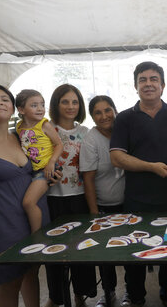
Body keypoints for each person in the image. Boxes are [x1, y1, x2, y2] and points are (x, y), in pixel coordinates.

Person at [110, 61, 167, 307]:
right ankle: (136, 297)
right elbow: (116, 156)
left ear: (163, 85)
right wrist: (151, 166)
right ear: (135, 86)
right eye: (143, 80)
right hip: (137, 199)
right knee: (135, 252)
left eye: (153, 79)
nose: (148, 84)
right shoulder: (125, 118)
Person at [0, 84, 51, 307]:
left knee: (31, 273)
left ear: (13, 108)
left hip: (31, 221)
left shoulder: (19, 137)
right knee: (9, 284)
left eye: (4, 99)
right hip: (1, 225)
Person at [44, 84, 97, 307]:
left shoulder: (86, 132)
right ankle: (56, 296)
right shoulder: (46, 129)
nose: (70, 106)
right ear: (56, 104)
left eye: (75, 102)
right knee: (53, 251)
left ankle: (81, 294)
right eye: (65, 101)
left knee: (81, 248)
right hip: (52, 198)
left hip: (79, 197)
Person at [79, 96, 129, 307]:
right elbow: (88, 179)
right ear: (92, 117)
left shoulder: (124, 130)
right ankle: (109, 293)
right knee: (105, 253)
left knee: (130, 250)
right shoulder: (91, 140)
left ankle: (131, 291)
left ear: (115, 110)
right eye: (97, 113)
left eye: (108, 110)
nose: (104, 116)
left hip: (129, 204)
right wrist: (94, 213)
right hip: (104, 206)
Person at [15, 89, 63, 233]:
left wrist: (51, 162)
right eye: (34, 105)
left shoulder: (44, 125)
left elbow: (59, 144)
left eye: (42, 104)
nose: (40, 108)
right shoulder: (19, 127)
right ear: (21, 109)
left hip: (46, 169)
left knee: (29, 203)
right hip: (32, 170)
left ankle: (36, 235)